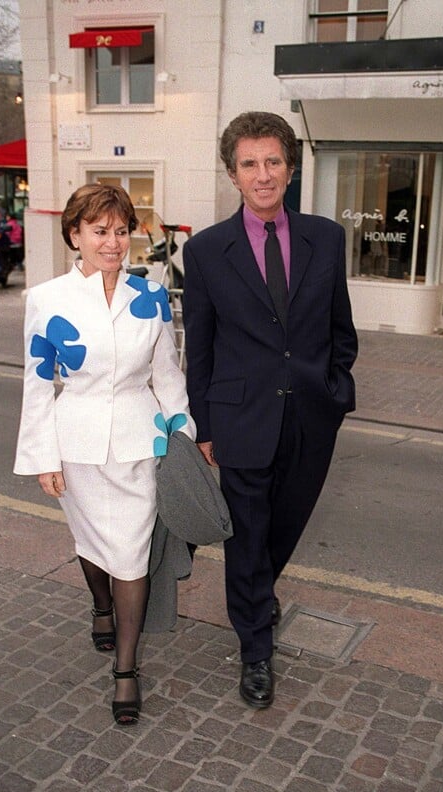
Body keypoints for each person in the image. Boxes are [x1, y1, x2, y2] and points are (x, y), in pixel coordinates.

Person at [182, 111, 358, 709]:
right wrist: (205, 424)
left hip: (313, 413)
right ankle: (255, 646)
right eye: (250, 164)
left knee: (284, 527)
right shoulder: (205, 251)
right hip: (240, 418)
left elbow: (342, 328)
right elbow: (198, 345)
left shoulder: (326, 237)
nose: (263, 175)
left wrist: (335, 390)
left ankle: (259, 591)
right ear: (233, 174)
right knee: (247, 536)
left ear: (290, 166)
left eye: (273, 161)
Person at [14, 184, 196, 726]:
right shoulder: (47, 300)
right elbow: (38, 384)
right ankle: (99, 607)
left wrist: (185, 433)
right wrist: (43, 456)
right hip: (76, 445)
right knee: (93, 543)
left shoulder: (151, 294)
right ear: (76, 235)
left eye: (121, 231)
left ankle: (126, 670)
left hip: (141, 441)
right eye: (100, 231)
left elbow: (167, 372)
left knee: (131, 554)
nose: (113, 242)